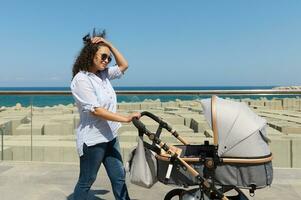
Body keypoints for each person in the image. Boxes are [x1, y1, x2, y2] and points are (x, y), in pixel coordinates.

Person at [71, 29, 140, 200]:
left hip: (110, 136)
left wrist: (108, 45)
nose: (107, 60)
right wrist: (125, 118)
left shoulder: (104, 74)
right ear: (90, 55)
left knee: (119, 177)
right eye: (103, 56)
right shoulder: (81, 80)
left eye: (108, 58)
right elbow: (96, 110)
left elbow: (124, 65)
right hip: (93, 140)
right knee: (87, 181)